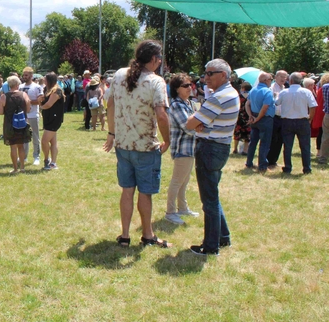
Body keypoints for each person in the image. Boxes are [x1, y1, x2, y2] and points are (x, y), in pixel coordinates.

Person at [103, 40, 172, 248]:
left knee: (127, 191)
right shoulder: (156, 81)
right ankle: (148, 235)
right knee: (145, 193)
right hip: (145, 147)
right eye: (159, 59)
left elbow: (110, 102)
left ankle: (124, 235)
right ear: (153, 59)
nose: (160, 62)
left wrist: (111, 132)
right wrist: (167, 139)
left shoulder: (119, 74)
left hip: (123, 145)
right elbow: (161, 114)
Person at [185, 58, 240, 256]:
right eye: (205, 73)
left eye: (210, 74)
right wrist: (199, 120)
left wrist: (198, 121)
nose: (205, 77)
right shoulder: (228, 93)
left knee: (209, 200)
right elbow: (197, 121)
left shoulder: (219, 97)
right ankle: (222, 238)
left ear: (223, 75)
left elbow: (190, 123)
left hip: (210, 148)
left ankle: (210, 247)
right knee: (212, 196)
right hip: (219, 147)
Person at [164, 73, 198, 225]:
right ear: (177, 89)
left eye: (190, 85)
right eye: (185, 86)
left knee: (185, 181)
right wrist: (201, 127)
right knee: (177, 181)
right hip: (182, 148)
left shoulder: (189, 103)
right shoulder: (177, 105)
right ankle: (170, 212)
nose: (190, 88)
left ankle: (182, 208)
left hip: (190, 148)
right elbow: (188, 127)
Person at [276, 72, 317, 174]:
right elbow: (313, 106)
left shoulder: (284, 92)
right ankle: (307, 168)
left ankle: (288, 167)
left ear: (290, 81)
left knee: (287, 146)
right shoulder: (307, 92)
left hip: (287, 121)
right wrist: (310, 118)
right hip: (302, 120)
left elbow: (276, 103)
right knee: (305, 146)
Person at [0, 76, 32, 174]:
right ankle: (22, 167)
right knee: (21, 146)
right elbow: (29, 109)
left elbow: (0, 112)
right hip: (22, 123)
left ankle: (15, 168)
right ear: (18, 84)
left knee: (13, 147)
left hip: (10, 124)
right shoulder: (24, 95)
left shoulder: (4, 96)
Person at [245, 72, 275, 173]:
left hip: (254, 117)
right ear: (266, 80)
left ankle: (249, 163)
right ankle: (262, 165)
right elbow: (265, 107)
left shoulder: (253, 90)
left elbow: (247, 104)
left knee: (253, 142)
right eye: (271, 79)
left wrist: (250, 116)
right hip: (264, 119)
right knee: (265, 143)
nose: (271, 81)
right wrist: (258, 118)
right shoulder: (267, 91)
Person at [39, 72, 64, 171]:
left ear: (50, 80)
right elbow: (44, 102)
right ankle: (53, 163)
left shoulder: (57, 91)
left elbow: (49, 104)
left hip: (54, 119)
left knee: (44, 141)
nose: (43, 81)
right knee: (53, 142)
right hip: (48, 118)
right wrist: (40, 100)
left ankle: (47, 160)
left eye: (45, 79)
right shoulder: (47, 89)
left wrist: (40, 108)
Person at [20, 67, 43, 166]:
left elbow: (39, 101)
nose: (24, 77)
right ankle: (24, 156)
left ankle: (36, 156)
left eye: (26, 75)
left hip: (33, 114)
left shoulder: (37, 87)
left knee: (35, 136)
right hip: (23, 115)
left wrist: (28, 102)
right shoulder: (20, 87)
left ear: (31, 76)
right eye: (23, 75)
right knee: (24, 136)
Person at [267, 70, 288, 168]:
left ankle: (274, 160)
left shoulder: (285, 88)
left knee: (280, 140)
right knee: (272, 139)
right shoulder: (271, 88)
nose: (283, 79)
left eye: (285, 77)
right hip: (274, 117)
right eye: (281, 76)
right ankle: (268, 160)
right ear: (276, 77)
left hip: (283, 117)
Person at [233, 81, 252, 155]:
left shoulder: (238, 96)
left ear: (243, 88)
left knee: (237, 133)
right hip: (248, 116)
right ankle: (245, 150)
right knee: (248, 134)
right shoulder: (251, 97)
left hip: (239, 117)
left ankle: (235, 149)